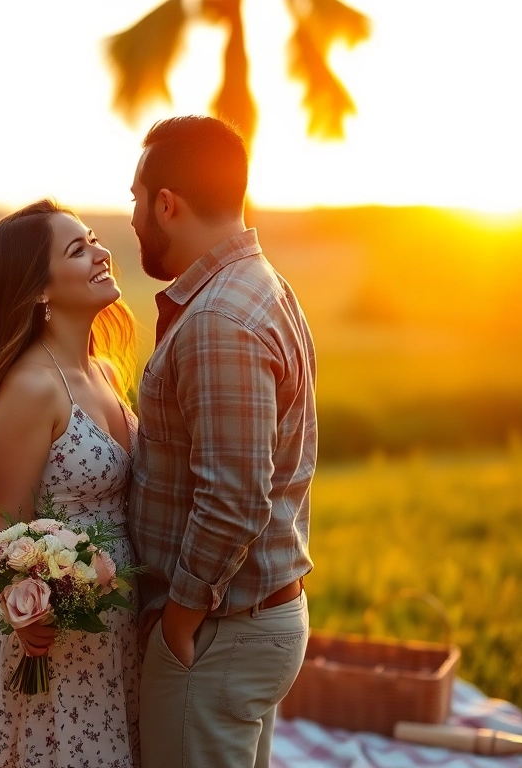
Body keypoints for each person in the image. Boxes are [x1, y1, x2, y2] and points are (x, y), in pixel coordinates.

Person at [0, 199, 141, 767]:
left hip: (120, 633)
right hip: (56, 646)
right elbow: (6, 539)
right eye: (77, 249)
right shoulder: (31, 390)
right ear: (38, 288)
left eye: (92, 239)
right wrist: (30, 616)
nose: (100, 253)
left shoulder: (105, 372)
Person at [127, 116, 317, 768]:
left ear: (166, 204)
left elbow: (235, 496)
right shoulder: (258, 286)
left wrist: (180, 621)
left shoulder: (218, 319)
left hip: (217, 632)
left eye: (135, 198)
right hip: (240, 626)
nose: (129, 218)